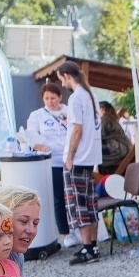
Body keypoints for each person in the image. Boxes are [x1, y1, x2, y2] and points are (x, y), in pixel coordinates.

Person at [56, 61, 102, 266]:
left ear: (66, 76)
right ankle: (92, 246)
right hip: (90, 157)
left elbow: (77, 130)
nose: (62, 84)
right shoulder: (91, 94)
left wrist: (69, 156)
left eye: (61, 79)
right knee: (90, 203)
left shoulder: (75, 97)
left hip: (78, 158)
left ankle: (88, 248)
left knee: (79, 205)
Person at [26, 83, 75, 247]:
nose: (50, 101)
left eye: (53, 98)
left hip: (72, 159)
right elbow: (30, 137)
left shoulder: (69, 111)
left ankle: (78, 228)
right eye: (46, 98)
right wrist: (38, 146)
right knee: (59, 198)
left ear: (60, 97)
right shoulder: (37, 115)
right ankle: (65, 233)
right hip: (52, 162)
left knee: (74, 196)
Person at [97, 101, 134, 176]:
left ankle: (102, 181)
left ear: (102, 109)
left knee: (96, 155)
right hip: (124, 154)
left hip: (116, 156)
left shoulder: (104, 119)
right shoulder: (113, 119)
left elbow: (99, 135)